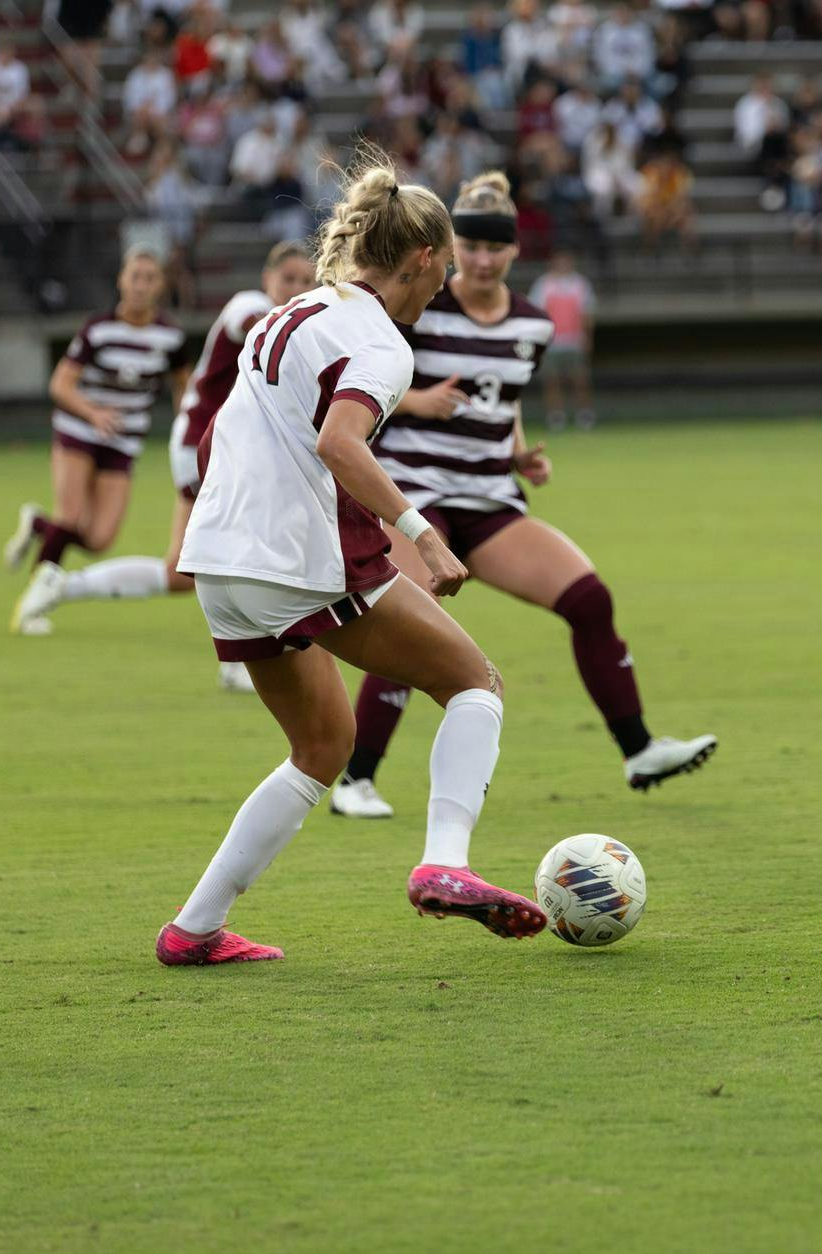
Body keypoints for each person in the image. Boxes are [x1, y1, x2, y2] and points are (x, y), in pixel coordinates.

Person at [156, 153, 547, 965]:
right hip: (295, 558)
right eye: (441, 273)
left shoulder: (293, 311)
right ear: (428, 259)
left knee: (321, 748)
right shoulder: (382, 344)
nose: (442, 289)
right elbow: (339, 442)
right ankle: (446, 863)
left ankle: (192, 930)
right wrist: (423, 535)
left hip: (222, 561)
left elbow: (226, 428)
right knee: (476, 684)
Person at [330, 171, 715, 819]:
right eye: (469, 248)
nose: (480, 261)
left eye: (494, 249)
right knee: (411, 619)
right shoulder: (420, 305)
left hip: (489, 500)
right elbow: (363, 394)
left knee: (590, 599)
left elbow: (501, 401)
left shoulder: (533, 326)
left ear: (514, 253)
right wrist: (421, 400)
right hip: (417, 492)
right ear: (449, 252)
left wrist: (517, 451)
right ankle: (356, 780)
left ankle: (639, 749)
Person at [13, 243, 315, 692]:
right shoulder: (251, 308)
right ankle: (240, 664)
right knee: (247, 550)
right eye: (287, 280)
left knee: (181, 572)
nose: (295, 290)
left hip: (219, 446)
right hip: (204, 447)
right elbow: (250, 325)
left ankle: (64, 586)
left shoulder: (278, 325)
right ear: (267, 278)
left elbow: (190, 381)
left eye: (306, 283)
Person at [1, 247, 187, 635]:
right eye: (134, 276)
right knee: (69, 516)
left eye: (149, 278)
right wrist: (93, 413)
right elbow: (60, 384)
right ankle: (35, 603)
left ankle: (37, 523)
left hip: (123, 443)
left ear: (161, 286)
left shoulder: (170, 337)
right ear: (121, 280)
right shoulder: (97, 328)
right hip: (79, 429)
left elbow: (184, 394)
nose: (140, 285)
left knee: (99, 539)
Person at [529, 250, 596, 430]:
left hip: (575, 342)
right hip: (552, 344)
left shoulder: (580, 284)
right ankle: (556, 416)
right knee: (552, 381)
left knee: (580, 380)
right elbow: (537, 314)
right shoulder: (543, 285)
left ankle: (584, 415)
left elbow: (586, 314)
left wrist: (587, 338)